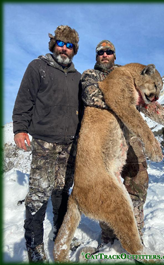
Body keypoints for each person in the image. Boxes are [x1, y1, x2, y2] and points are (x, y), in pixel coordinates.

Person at [80, 40, 164, 246]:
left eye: (109, 52)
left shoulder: (130, 75)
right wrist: (126, 101)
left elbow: (150, 106)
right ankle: (108, 236)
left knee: (138, 185)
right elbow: (95, 98)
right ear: (97, 56)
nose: (105, 55)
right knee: (106, 188)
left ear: (115, 55)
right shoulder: (90, 75)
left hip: (131, 140)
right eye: (101, 52)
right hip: (104, 140)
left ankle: (135, 233)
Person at [12, 25, 83, 263]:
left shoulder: (78, 77)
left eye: (69, 45)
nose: (64, 48)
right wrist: (20, 128)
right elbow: (24, 99)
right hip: (45, 142)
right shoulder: (38, 67)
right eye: (61, 43)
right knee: (39, 193)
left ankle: (60, 235)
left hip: (69, 145)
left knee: (62, 191)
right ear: (54, 45)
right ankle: (34, 245)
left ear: (74, 50)